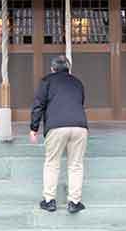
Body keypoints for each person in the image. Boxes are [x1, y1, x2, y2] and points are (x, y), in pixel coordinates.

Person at [30, 55, 88, 214]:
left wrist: (33, 128)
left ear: (52, 69)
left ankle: (49, 201)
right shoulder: (77, 82)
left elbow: (38, 105)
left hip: (56, 127)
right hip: (79, 126)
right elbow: (81, 101)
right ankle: (74, 202)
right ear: (68, 68)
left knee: (52, 163)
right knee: (76, 165)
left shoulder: (46, 81)